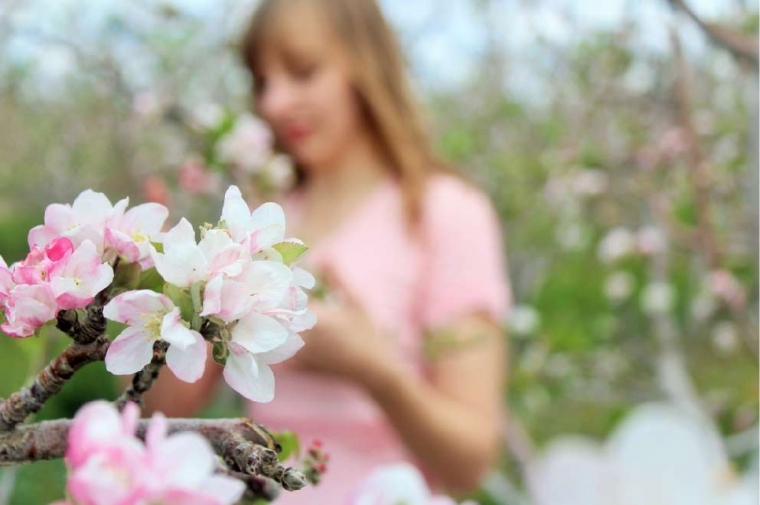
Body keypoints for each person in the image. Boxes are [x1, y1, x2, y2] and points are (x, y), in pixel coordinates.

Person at [145, 0, 512, 501]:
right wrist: (174, 284)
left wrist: (374, 369)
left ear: (366, 66)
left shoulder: (443, 211)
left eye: (303, 71)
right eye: (262, 81)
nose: (273, 103)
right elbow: (160, 416)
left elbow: (470, 461)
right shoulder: (260, 218)